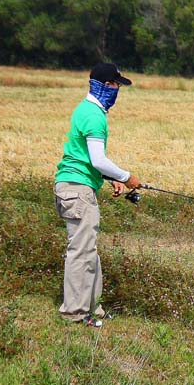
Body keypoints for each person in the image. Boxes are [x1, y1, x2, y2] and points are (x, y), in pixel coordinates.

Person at [53, 63, 140, 327]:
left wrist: (108, 178)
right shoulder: (94, 116)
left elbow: (86, 159)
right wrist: (126, 177)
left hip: (77, 186)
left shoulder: (87, 110)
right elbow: (98, 159)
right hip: (77, 191)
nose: (116, 91)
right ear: (102, 86)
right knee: (80, 251)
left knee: (88, 250)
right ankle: (75, 314)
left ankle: (93, 308)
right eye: (114, 85)